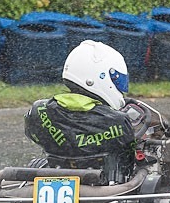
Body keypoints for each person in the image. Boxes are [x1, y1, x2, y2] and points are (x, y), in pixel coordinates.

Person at [24, 40, 137, 184]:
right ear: (101, 76)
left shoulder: (38, 111)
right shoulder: (118, 121)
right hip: (107, 193)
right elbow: (130, 153)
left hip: (54, 178)